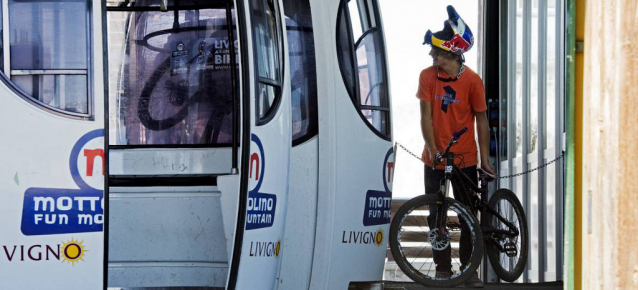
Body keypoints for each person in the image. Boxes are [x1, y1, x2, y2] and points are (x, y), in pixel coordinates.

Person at [416, 5, 497, 288]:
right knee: (435, 215)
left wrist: (484, 158)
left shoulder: (473, 81)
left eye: (436, 51)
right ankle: (442, 269)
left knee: (465, 216)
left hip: (465, 159)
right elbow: (425, 118)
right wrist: (433, 148)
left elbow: (482, 122)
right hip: (434, 158)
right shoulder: (427, 76)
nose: (431, 55)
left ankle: (467, 270)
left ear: (451, 53)